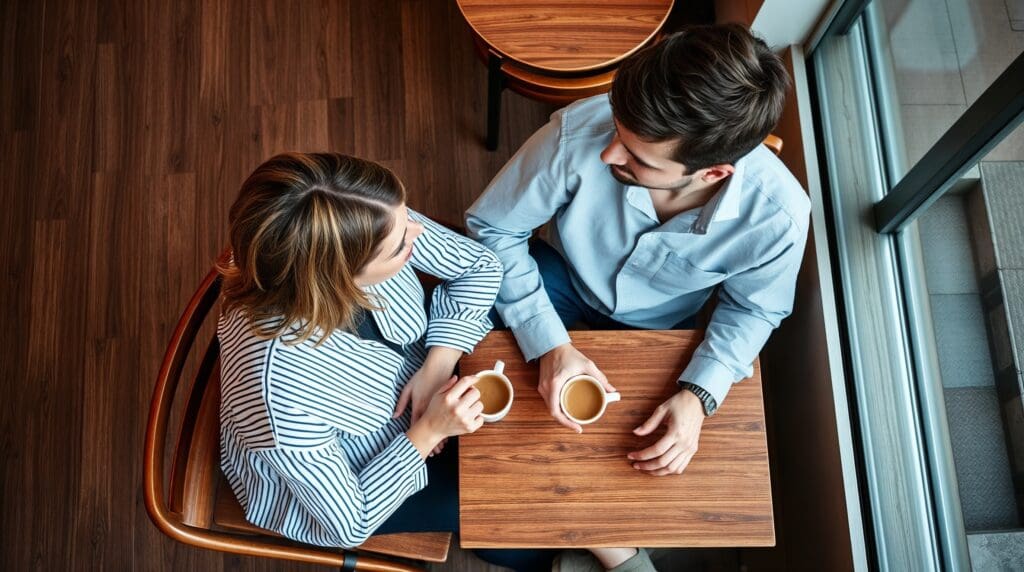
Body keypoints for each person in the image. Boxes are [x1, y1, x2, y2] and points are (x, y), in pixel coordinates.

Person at [466, 24, 808, 571]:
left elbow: (754, 308)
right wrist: (547, 341)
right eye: (617, 130)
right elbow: (492, 229)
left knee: (638, 467)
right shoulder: (578, 132)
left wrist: (699, 395)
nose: (607, 154)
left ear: (713, 173)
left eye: (638, 157)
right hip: (558, 280)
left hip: (661, 329)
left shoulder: (780, 218)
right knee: (493, 495)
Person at [217, 152, 552, 570]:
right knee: (504, 499)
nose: (418, 230)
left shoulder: (356, 214)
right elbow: (350, 523)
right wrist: (428, 432)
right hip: (354, 473)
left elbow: (480, 265)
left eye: (406, 214)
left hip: (418, 381)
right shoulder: (281, 396)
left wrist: (437, 368)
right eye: (399, 246)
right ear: (338, 278)